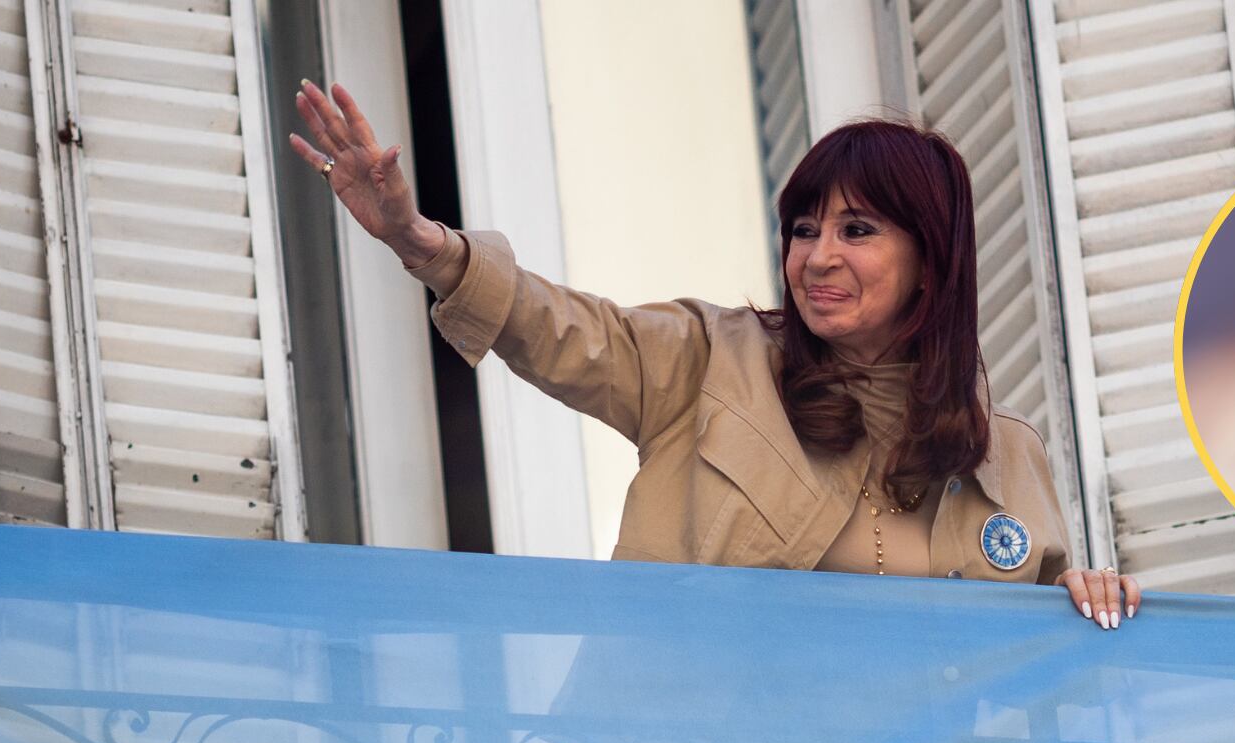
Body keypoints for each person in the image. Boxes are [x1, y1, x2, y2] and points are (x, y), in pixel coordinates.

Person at [290, 81, 1139, 629]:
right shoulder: (709, 361)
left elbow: (1045, 690)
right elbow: (556, 327)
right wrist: (419, 240)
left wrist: (1088, 601)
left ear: (932, 259)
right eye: (804, 230)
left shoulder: (1008, 452)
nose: (818, 257)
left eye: (858, 230)